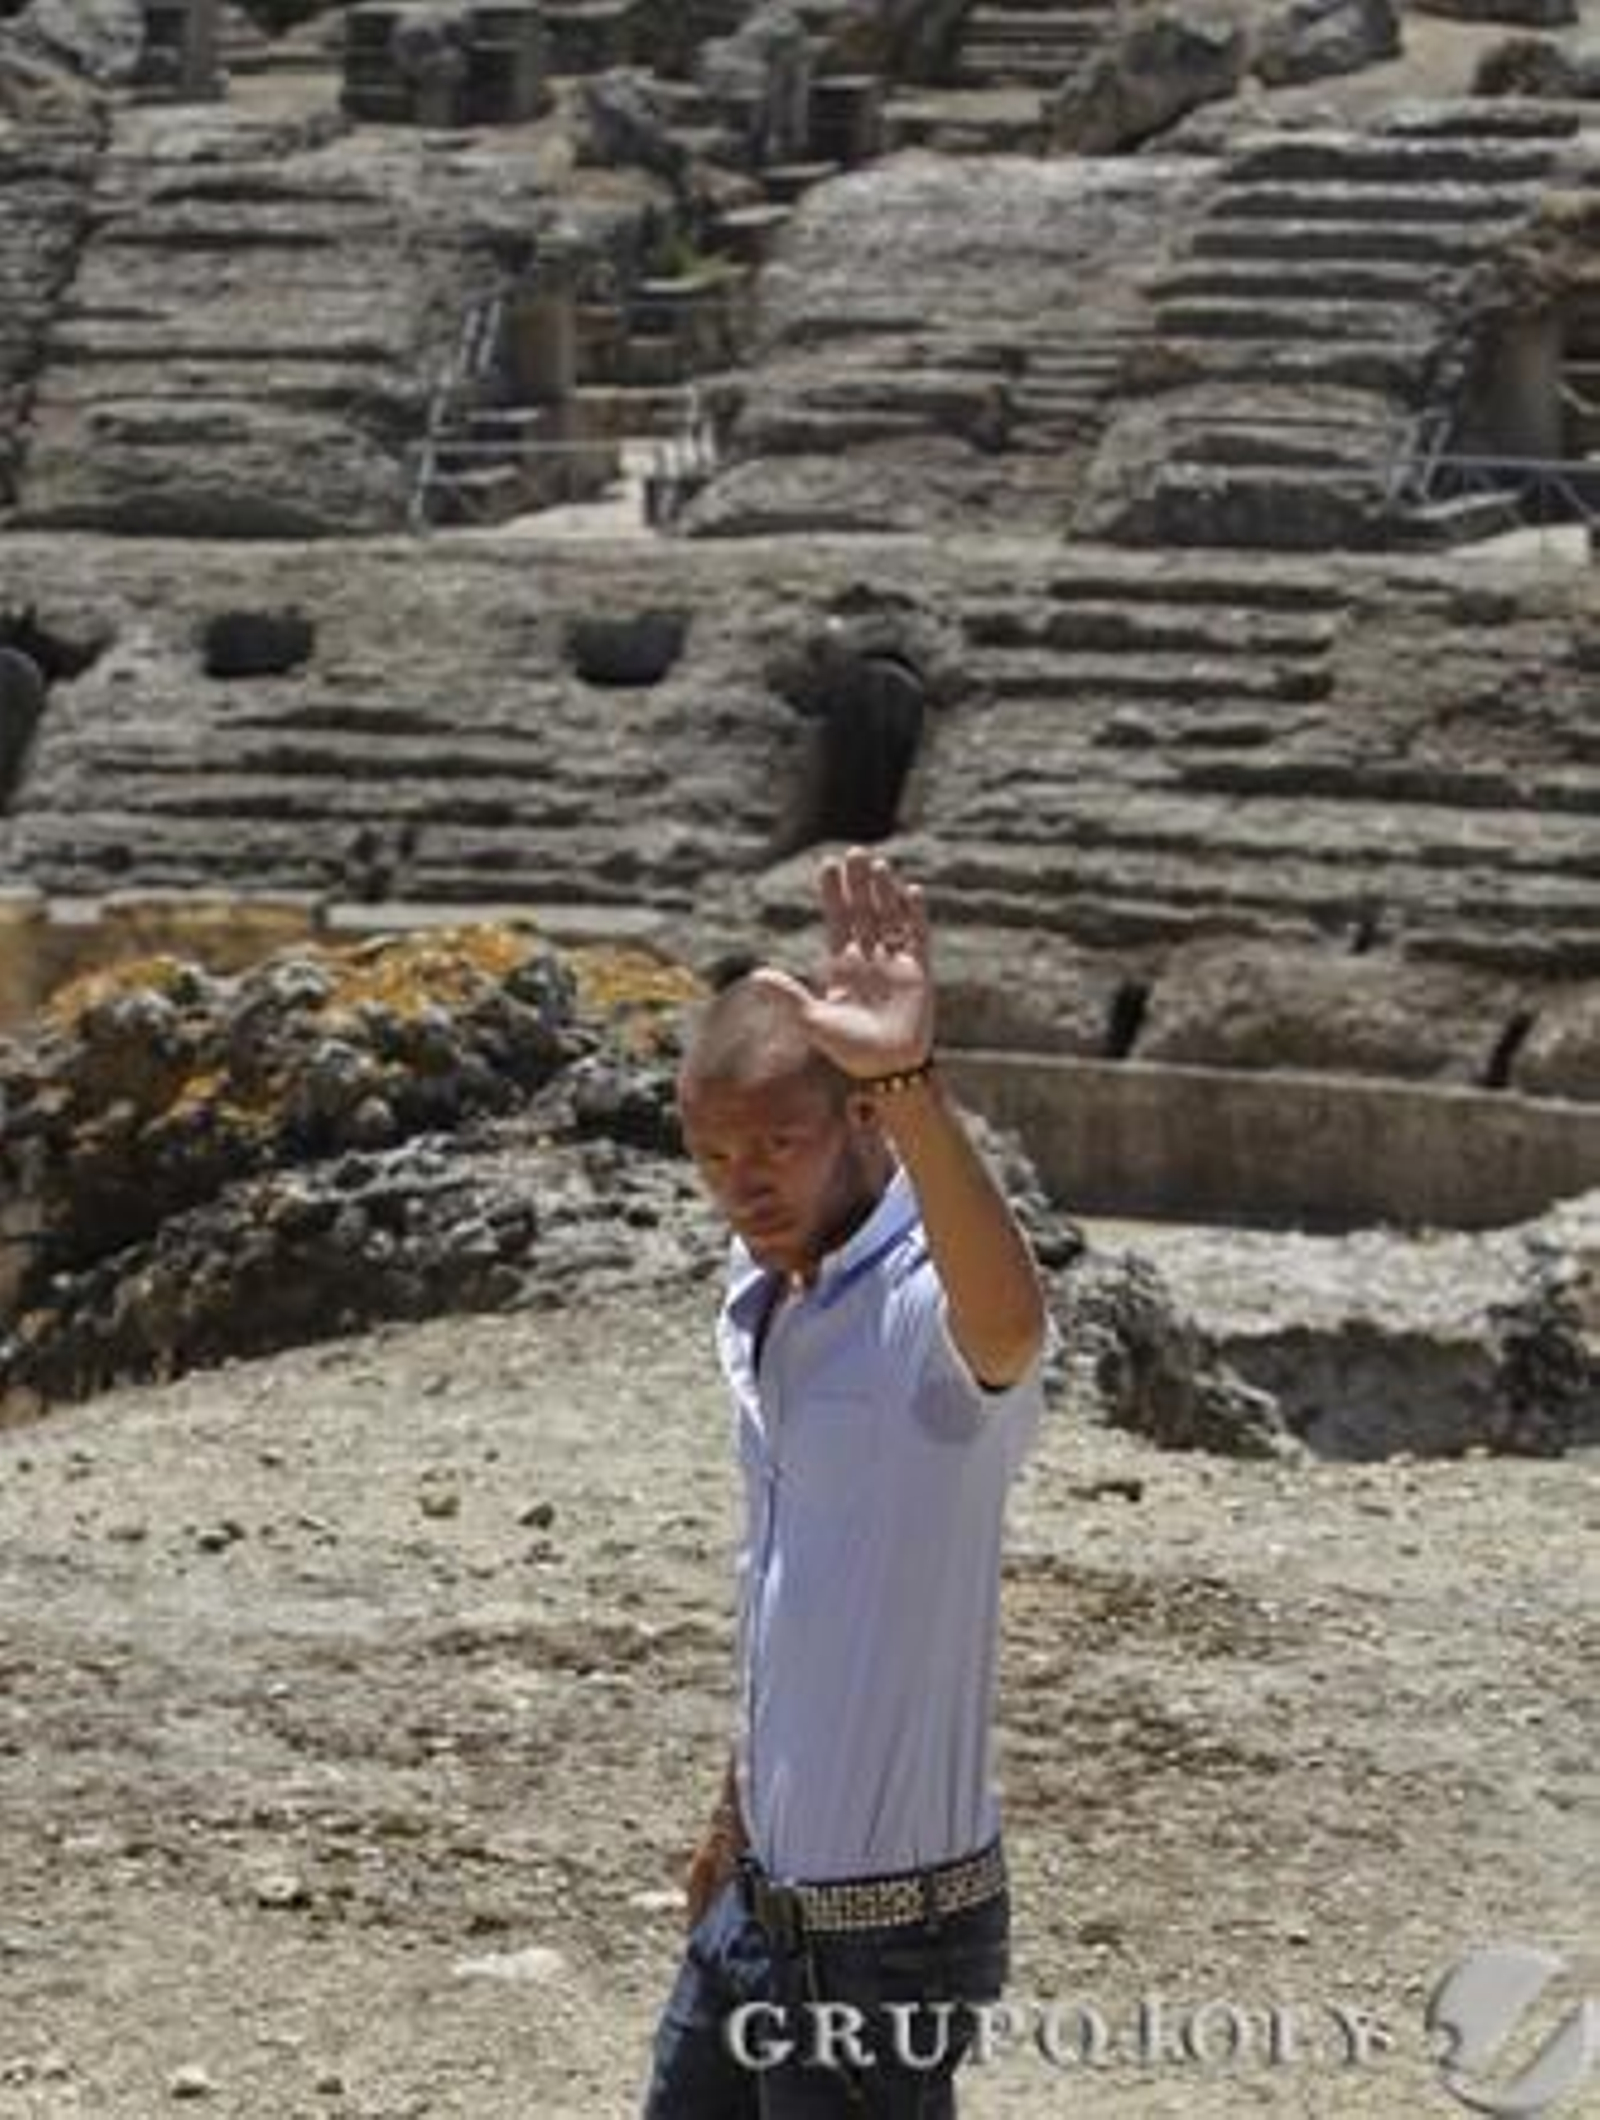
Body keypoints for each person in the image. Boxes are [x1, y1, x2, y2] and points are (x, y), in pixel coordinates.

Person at [642, 845, 1052, 2119]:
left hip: (886, 1946)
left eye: (778, 1140)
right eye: (714, 1156)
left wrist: (911, 1081)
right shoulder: (764, 1290)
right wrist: (733, 1812)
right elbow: (794, 1590)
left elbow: (1010, 1327)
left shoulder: (925, 1309)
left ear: (861, 1121)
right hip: (756, 1900)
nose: (744, 1182)